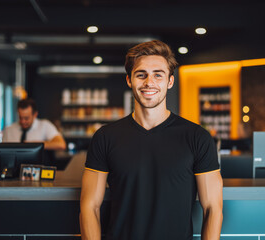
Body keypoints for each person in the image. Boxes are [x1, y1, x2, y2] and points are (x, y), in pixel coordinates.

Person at [80, 40, 223, 240]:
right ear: (129, 80)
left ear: (170, 81)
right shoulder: (105, 137)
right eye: (141, 75)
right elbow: (89, 207)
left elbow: (212, 209)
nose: (149, 82)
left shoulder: (197, 137)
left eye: (158, 74)